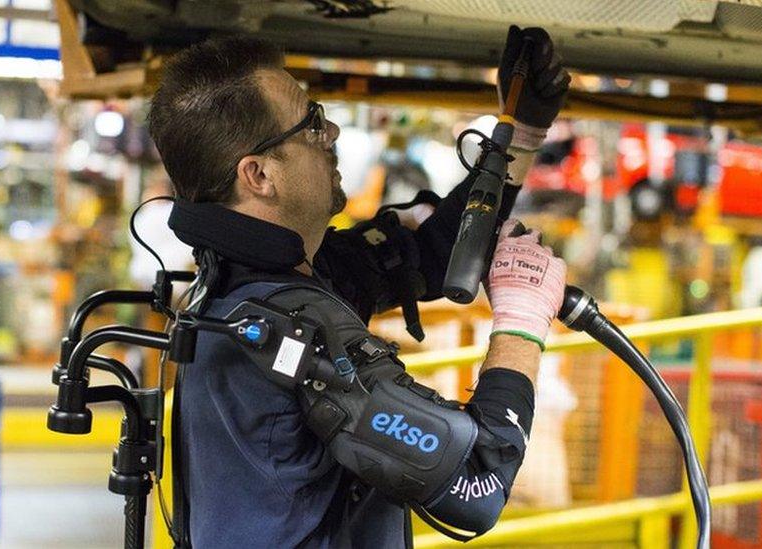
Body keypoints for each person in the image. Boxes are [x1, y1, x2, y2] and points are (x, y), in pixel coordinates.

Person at [147, 25, 571, 549]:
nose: (332, 136)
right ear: (258, 175)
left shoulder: (249, 281)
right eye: (312, 125)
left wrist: (521, 131)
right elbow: (477, 485)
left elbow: (429, 256)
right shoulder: (294, 330)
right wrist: (523, 325)